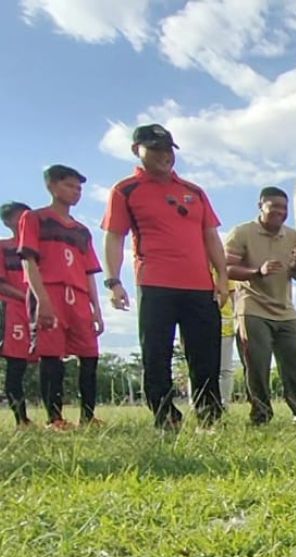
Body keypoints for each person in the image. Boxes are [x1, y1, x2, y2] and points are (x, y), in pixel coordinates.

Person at [101, 123, 229, 431]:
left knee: (206, 356)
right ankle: (166, 416)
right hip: (155, 284)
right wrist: (113, 281)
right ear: (137, 150)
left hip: (199, 286)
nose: (164, 156)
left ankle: (209, 418)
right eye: (155, 149)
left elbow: (211, 236)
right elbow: (114, 237)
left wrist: (222, 277)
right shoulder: (125, 190)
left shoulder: (194, 192)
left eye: (168, 149)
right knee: (156, 355)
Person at [19, 166, 104, 430]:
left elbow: (90, 271)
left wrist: (96, 309)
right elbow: (29, 261)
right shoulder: (35, 219)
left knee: (89, 354)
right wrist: (41, 299)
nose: (76, 192)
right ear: (53, 187)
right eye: (70, 186)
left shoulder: (81, 231)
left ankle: (88, 416)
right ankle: (55, 418)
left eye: (79, 188)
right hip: (50, 290)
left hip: (78, 295)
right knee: (51, 354)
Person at [224, 187, 296, 425]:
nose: (279, 211)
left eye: (283, 208)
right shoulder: (242, 232)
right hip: (252, 307)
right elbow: (227, 269)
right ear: (260, 206)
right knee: (257, 365)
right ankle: (261, 415)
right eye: (273, 206)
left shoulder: (293, 236)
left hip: (285, 309)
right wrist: (257, 271)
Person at [1, 202, 34, 427]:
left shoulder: (37, 249)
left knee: (24, 366)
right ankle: (21, 420)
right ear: (8, 222)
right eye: (19, 217)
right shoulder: (3, 248)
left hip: (34, 313)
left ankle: (48, 417)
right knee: (14, 367)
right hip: (10, 312)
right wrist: (27, 297)